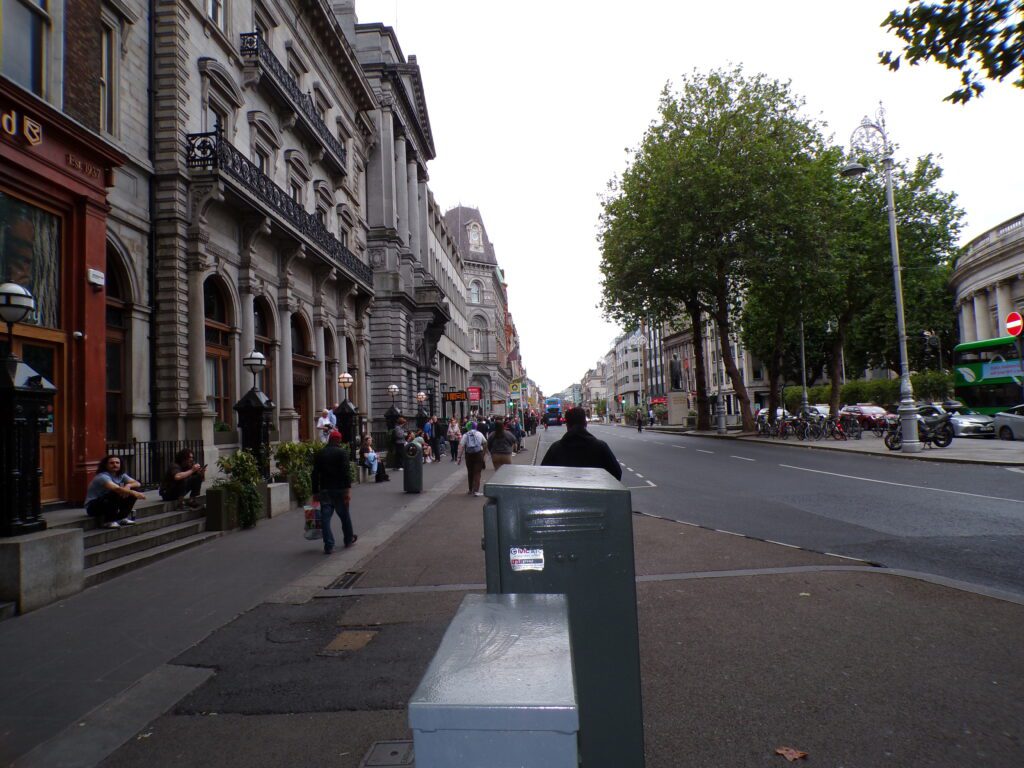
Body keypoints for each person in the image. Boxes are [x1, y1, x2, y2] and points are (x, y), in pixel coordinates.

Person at [541, 407, 622, 480]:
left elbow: (543, 474)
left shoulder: (556, 448)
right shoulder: (600, 447)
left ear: (567, 425)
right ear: (585, 423)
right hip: (594, 495)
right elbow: (617, 474)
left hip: (565, 496)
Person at [311, 430, 356, 554]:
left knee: (325, 519)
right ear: (338, 440)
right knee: (345, 516)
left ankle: (329, 545)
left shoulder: (320, 453)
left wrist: (315, 492)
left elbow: (315, 474)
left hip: (325, 489)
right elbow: (346, 473)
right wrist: (348, 490)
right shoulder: (342, 453)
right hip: (340, 489)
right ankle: (348, 539)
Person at [85, 455, 146, 528]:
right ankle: (108, 521)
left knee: (133, 489)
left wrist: (128, 486)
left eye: (117, 463)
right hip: (93, 507)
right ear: (106, 465)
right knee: (116, 493)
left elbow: (137, 483)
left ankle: (122, 518)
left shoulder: (121, 475)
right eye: (111, 463)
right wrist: (134, 493)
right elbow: (116, 489)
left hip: (109, 503)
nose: (115, 465)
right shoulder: (102, 476)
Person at [457, 420, 489, 496]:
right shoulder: (479, 434)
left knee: (470, 472)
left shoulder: (465, 435)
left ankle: (470, 489)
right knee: (477, 473)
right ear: (476, 427)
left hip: (469, 455)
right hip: (478, 454)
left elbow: (461, 446)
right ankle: (476, 491)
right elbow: (485, 443)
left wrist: (459, 457)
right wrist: (484, 453)